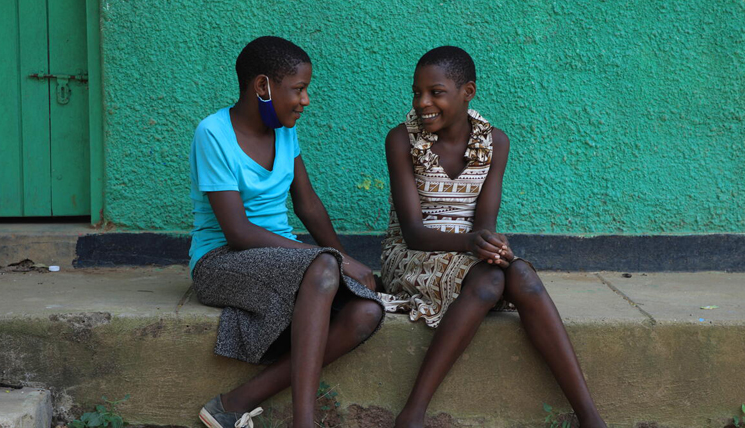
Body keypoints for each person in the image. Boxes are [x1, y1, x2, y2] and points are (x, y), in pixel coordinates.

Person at [379, 46, 607, 428]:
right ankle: (413, 413)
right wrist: (471, 244)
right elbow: (414, 233)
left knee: (519, 274)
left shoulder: (494, 143)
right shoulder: (402, 140)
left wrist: (489, 244)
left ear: (468, 91)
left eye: (436, 92)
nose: (423, 102)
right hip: (409, 253)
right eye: (417, 92)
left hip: (466, 254)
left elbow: (484, 222)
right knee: (488, 283)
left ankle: (591, 418)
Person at [189, 36, 384, 428]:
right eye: (298, 89)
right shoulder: (212, 134)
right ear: (263, 86)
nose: (305, 100)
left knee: (366, 311)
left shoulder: (283, 130)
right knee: (326, 267)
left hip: (286, 259)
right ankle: (304, 422)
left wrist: (342, 257)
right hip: (220, 262)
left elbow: (307, 203)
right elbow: (239, 232)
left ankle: (235, 402)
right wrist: (336, 260)